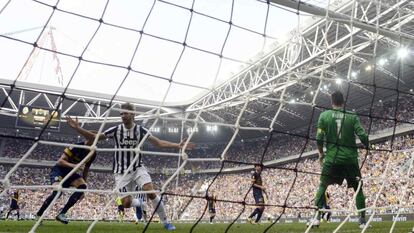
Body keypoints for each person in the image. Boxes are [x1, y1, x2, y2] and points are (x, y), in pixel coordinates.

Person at [66, 102, 195, 231]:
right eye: (121, 113)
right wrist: (78, 128)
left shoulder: (140, 130)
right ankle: (138, 203)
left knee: (150, 191)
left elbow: (159, 143)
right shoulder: (116, 130)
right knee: (126, 203)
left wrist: (178, 145)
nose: (122, 116)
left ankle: (166, 222)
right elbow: (95, 137)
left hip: (137, 168)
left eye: (125, 113)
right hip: (121, 172)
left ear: (133, 114)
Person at [309, 90, 369, 229]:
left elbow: (318, 138)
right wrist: (367, 146)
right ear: (343, 102)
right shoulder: (352, 116)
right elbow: (362, 135)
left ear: (332, 102)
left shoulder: (324, 116)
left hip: (332, 159)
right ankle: (362, 221)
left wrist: (320, 154)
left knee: (322, 186)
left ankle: (316, 218)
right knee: (358, 189)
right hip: (350, 159)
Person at [36, 134, 96, 224]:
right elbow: (60, 161)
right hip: (59, 170)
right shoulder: (76, 147)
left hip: (71, 173)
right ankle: (39, 214)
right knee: (57, 193)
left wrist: (83, 189)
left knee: (82, 187)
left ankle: (62, 214)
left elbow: (86, 169)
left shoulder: (93, 153)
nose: (95, 143)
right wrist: (74, 165)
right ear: (88, 139)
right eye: (94, 140)